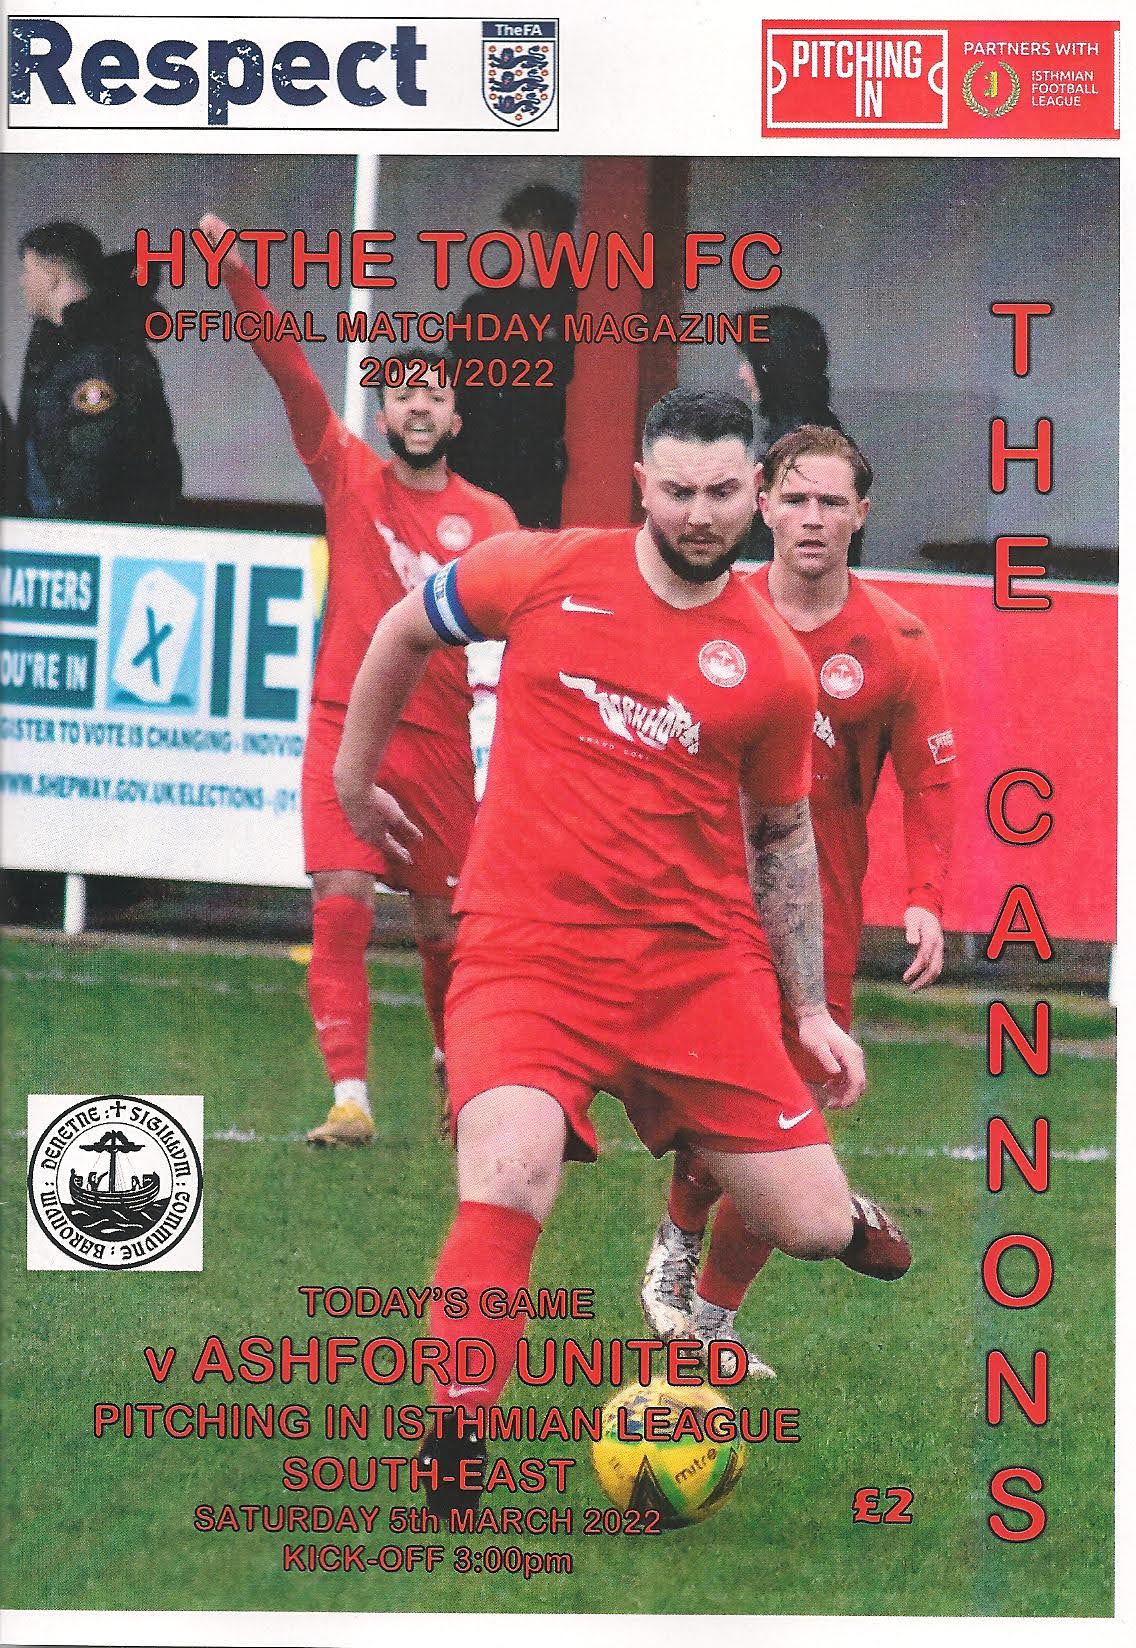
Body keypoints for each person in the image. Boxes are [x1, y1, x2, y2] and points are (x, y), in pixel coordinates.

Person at [334, 390, 910, 1512]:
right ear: (641, 484)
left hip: (694, 971)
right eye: (677, 489)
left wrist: (805, 1009)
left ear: (754, 492)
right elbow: (403, 629)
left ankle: (846, 1218)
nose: (700, 513)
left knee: (801, 1222)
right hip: (526, 950)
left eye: (722, 491)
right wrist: (354, 781)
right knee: (509, 1174)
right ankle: (455, 1439)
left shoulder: (771, 665)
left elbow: (781, 839)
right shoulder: (538, 570)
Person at [641, 423, 956, 1376]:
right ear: (764, 506)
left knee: (792, 1114)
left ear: (862, 515)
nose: (813, 517)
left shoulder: (898, 643)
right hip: (703, 902)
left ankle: (708, 1318)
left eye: (833, 502)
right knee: (735, 1108)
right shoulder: (707, 610)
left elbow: (931, 781)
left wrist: (927, 896)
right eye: (797, 498)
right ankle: (681, 1246)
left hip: (821, 919)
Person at [198, 214, 517, 1149]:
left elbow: (524, 629)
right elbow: (291, 374)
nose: (418, 409)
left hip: (440, 745)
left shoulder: (492, 519)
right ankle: (350, 1099)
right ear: (383, 417)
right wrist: (238, 275)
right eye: (402, 396)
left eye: (434, 397)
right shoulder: (349, 476)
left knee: (444, 930)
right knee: (339, 898)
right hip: (347, 728)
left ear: (456, 418)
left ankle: (458, 1065)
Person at [16, 221, 182, 523]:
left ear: (52, 277)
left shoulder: (99, 357)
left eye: (28, 271)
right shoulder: (67, 350)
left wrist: (56, 531)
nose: (22, 282)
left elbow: (93, 463)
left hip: (86, 538)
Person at [447, 182, 577, 526]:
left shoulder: (578, 304)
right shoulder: (482, 306)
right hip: (482, 450)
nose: (533, 247)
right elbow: (458, 382)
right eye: (524, 235)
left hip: (543, 457)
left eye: (544, 236)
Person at [735, 305, 847, 564]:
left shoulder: (800, 441)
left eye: (747, 361)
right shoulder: (811, 428)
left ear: (771, 366)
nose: (741, 373)